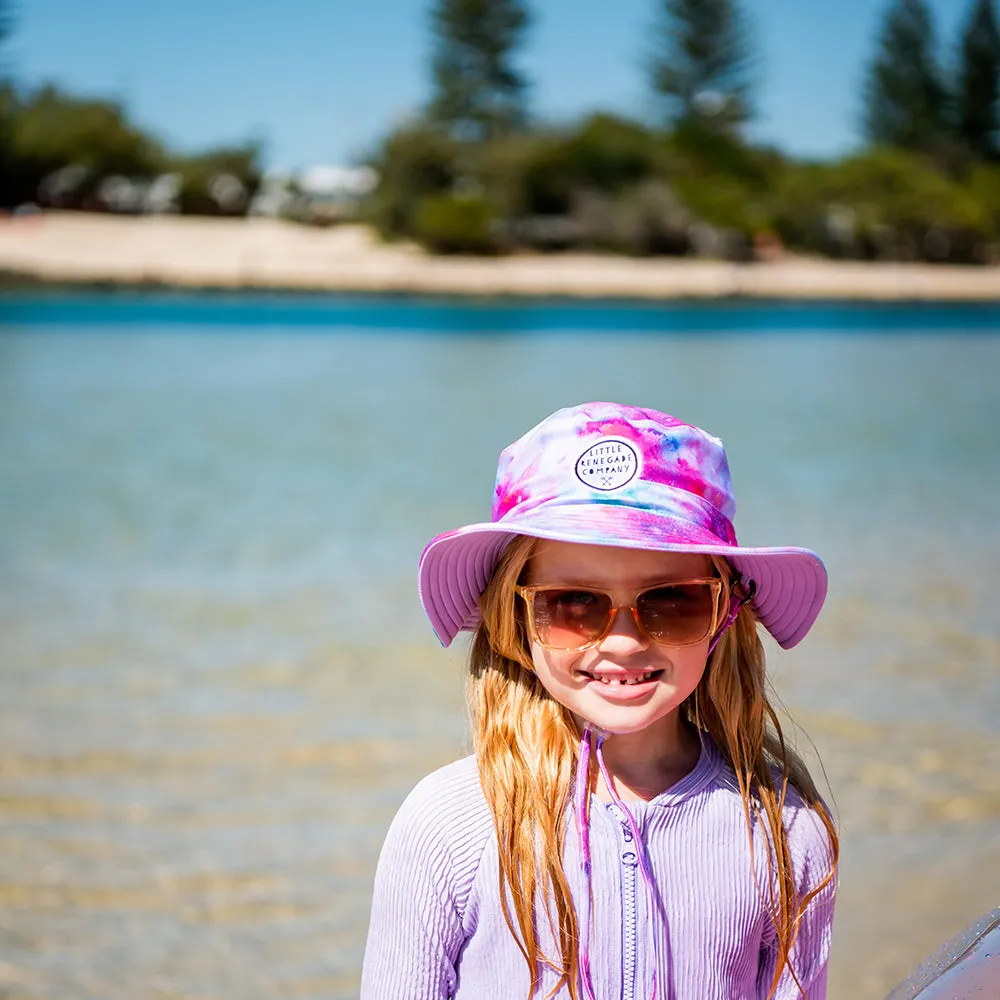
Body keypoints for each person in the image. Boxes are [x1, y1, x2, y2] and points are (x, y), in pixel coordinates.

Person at [361, 401, 839, 1000]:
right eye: (573, 604)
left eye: (672, 601)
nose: (622, 640)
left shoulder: (784, 835)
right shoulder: (448, 825)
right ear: (515, 618)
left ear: (725, 615)